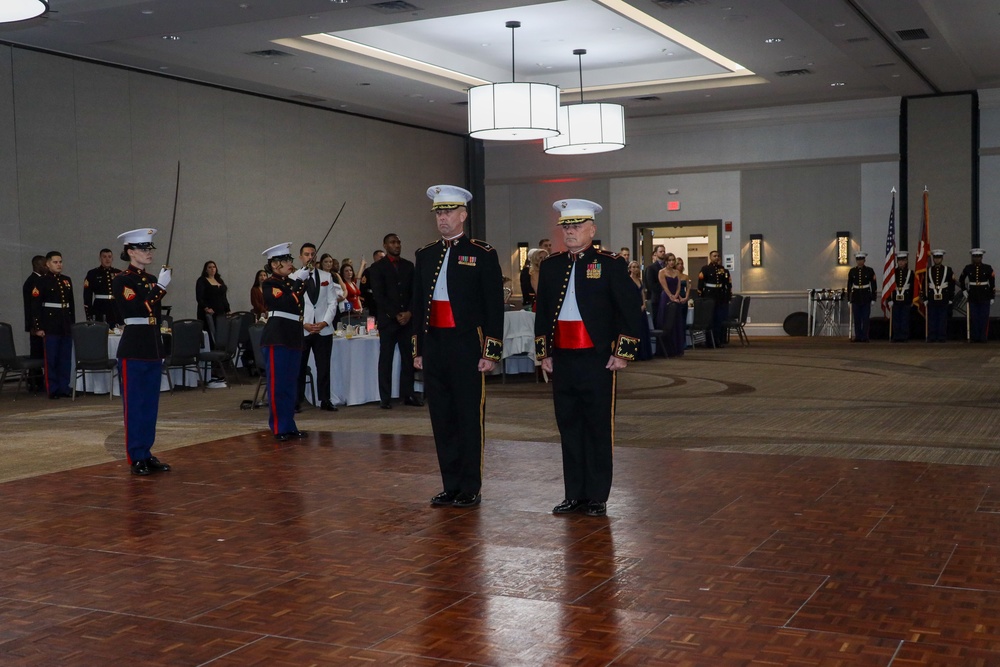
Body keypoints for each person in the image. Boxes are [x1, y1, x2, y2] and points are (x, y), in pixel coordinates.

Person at [534, 198, 640, 517]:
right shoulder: (552, 266)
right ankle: (574, 494)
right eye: (566, 226)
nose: (570, 232)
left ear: (592, 229)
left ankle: (596, 495)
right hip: (563, 359)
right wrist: (544, 355)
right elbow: (542, 316)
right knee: (568, 426)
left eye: (577, 226)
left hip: (596, 360)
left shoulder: (610, 264)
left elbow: (630, 311)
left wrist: (622, 353)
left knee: (596, 427)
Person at [412, 184, 504, 509]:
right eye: (438, 212)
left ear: (463, 215)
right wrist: (419, 349)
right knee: (441, 416)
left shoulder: (482, 253)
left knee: (468, 416)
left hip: (467, 343)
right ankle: (450, 484)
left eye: (448, 211)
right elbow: (418, 304)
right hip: (435, 343)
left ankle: (470, 486)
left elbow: (494, 305)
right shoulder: (424, 254)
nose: (443, 218)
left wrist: (490, 351)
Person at [112, 228, 172, 475]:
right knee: (135, 404)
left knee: (150, 405)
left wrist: (156, 285)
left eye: (150, 249)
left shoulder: (147, 280)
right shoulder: (122, 280)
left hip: (151, 345)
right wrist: (160, 287)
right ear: (130, 252)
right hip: (135, 346)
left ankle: (146, 452)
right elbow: (138, 308)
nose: (149, 253)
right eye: (143, 249)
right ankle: (135, 455)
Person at [260, 242, 311, 441]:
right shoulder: (270, 283)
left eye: (290, 260)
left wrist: (299, 281)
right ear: (274, 265)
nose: (290, 263)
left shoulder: (290, 283)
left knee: (291, 384)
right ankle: (278, 427)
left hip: (293, 335)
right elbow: (285, 301)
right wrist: (298, 283)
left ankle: (289, 424)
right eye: (285, 260)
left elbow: (297, 300)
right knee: (278, 385)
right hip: (277, 336)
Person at [369, 233, 422, 409]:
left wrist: (408, 312)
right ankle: (385, 397)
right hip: (388, 320)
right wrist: (395, 314)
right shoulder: (377, 268)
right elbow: (379, 295)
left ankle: (408, 394)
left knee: (408, 359)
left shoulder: (408, 266)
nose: (397, 245)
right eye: (393, 242)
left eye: (398, 242)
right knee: (386, 359)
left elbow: (415, 292)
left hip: (407, 320)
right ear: (385, 245)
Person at [297, 243, 339, 413]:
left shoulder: (326, 277)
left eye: (312, 254)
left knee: (324, 366)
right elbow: (293, 306)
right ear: (301, 257)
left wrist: (324, 322)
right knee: (299, 366)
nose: (310, 257)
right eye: (306, 254)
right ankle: (296, 400)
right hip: (303, 328)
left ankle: (325, 399)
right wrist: (303, 323)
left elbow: (332, 302)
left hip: (323, 329)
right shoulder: (294, 277)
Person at [30, 251, 76, 399]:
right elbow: (35, 306)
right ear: (48, 264)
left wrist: (72, 324)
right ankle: (53, 389)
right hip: (50, 325)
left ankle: (64, 387)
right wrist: (38, 327)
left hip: (64, 324)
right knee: (51, 358)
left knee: (65, 358)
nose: (59, 265)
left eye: (60, 262)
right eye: (55, 262)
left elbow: (71, 306)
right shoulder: (41, 281)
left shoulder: (66, 280)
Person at [697, 250, 733, 346]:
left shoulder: (723, 270)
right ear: (710, 257)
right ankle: (709, 341)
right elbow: (700, 284)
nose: (716, 257)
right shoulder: (705, 269)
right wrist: (701, 296)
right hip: (709, 296)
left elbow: (728, 284)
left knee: (719, 319)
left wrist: (728, 296)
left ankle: (719, 340)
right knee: (710, 319)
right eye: (714, 256)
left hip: (720, 296)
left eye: (718, 256)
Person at [22, 255, 47, 391]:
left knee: (39, 353)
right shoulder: (34, 282)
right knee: (37, 354)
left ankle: (37, 380)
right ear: (37, 265)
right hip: (36, 325)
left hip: (36, 324)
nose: (46, 267)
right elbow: (33, 307)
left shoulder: (37, 280)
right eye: (44, 265)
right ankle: (35, 382)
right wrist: (36, 326)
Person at [959, 248, 995, 343]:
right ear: (972, 257)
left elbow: (992, 283)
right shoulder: (968, 268)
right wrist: (963, 290)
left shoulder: (988, 268)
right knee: (974, 317)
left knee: (983, 317)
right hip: (973, 294)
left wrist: (992, 296)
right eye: (975, 256)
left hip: (984, 295)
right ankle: (975, 336)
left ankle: (983, 336)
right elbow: (961, 279)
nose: (977, 258)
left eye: (978, 256)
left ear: (982, 257)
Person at [195, 260, 231, 348]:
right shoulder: (202, 280)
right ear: (206, 270)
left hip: (220, 312)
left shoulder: (219, 280)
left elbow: (224, 297)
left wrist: (228, 309)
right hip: (209, 313)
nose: (212, 269)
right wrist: (206, 308)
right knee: (211, 334)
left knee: (221, 333)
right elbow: (199, 297)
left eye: (214, 267)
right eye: (210, 267)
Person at [83, 248, 122, 326]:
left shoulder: (119, 273)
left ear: (112, 258)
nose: (107, 259)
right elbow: (87, 295)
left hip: (115, 308)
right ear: (100, 258)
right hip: (100, 308)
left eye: (109, 257)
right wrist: (89, 315)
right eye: (104, 257)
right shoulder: (93, 273)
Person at [658, 253, 687, 357]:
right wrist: (671, 296)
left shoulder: (677, 272)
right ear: (666, 261)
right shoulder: (662, 272)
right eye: (669, 260)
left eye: (673, 260)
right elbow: (664, 286)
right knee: (667, 321)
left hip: (676, 297)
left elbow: (679, 286)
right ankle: (666, 349)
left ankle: (677, 348)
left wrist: (676, 295)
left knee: (676, 322)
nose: (671, 262)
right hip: (666, 297)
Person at [924, 249, 955, 342]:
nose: (937, 260)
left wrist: (950, 298)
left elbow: (951, 284)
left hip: (944, 298)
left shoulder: (948, 270)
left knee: (942, 318)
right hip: (932, 298)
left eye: (939, 258)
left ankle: (942, 336)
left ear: (942, 258)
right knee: (932, 318)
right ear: (933, 259)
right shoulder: (928, 270)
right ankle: (932, 336)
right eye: (935, 258)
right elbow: (924, 284)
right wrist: (924, 298)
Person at [846, 252, 877, 342]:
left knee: (865, 318)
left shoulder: (869, 271)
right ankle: (858, 336)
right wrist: (849, 299)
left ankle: (865, 336)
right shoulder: (852, 271)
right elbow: (849, 286)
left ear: (864, 260)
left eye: (861, 259)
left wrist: (873, 298)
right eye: (858, 260)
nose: (860, 261)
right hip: (856, 297)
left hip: (866, 296)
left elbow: (873, 285)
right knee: (857, 318)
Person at [628, 260, 652, 360]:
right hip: (633, 307)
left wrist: (643, 304)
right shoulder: (627, 280)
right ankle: (634, 354)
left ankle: (644, 353)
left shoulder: (640, 280)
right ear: (629, 269)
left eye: (637, 267)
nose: (635, 269)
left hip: (641, 307)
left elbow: (643, 293)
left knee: (643, 329)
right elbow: (628, 296)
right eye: (633, 267)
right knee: (635, 330)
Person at [889, 251, 914, 342]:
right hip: (895, 299)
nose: (901, 262)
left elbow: (912, 287)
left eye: (903, 260)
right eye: (899, 260)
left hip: (906, 299)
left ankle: (904, 336)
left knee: (904, 319)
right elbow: (889, 287)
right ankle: (896, 336)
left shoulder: (910, 273)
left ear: (906, 261)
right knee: (896, 319)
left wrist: (912, 300)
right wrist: (889, 299)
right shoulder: (892, 273)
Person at [359, 249, 384, 319]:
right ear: (375, 258)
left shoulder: (387, 271)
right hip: (371, 302)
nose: (384, 259)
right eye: (381, 257)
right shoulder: (369, 271)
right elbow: (363, 288)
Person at [644, 244, 666, 310]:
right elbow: (650, 284)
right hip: (656, 297)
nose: (663, 253)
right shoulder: (651, 268)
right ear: (656, 253)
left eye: (664, 251)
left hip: (667, 297)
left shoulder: (667, 266)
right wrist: (664, 288)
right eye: (660, 251)